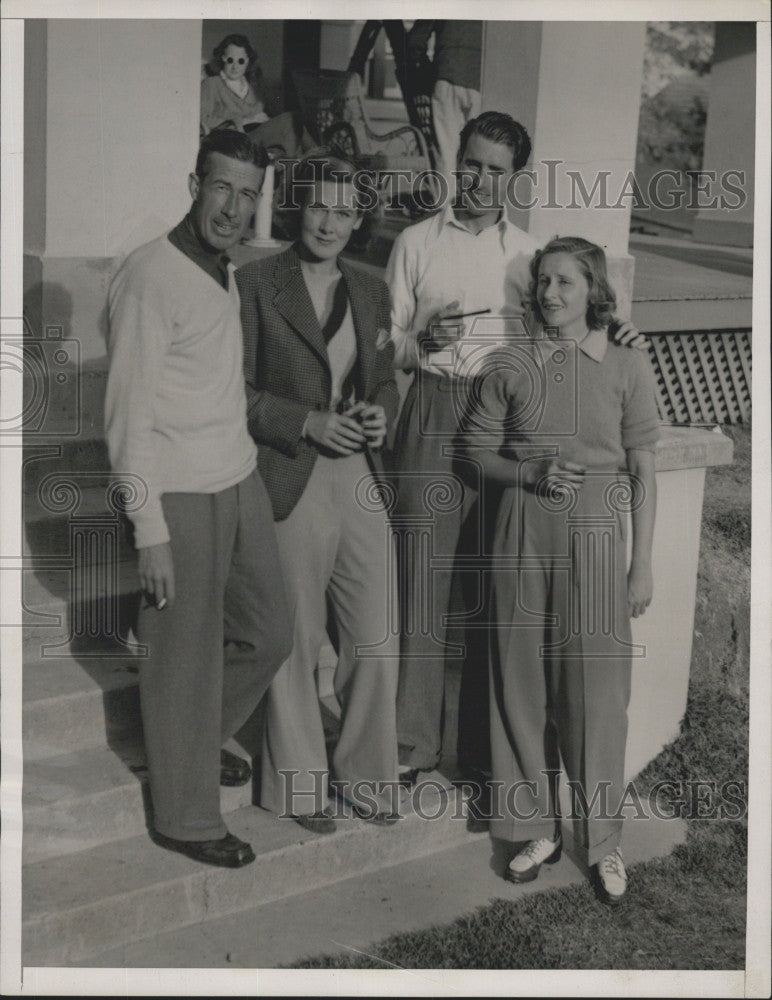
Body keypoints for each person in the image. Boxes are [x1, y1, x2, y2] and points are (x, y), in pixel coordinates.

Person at [385, 110, 647, 818]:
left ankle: (476, 752)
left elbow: (571, 320)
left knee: (492, 593)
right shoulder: (414, 242)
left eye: (494, 169)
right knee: (421, 579)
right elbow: (388, 349)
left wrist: (618, 325)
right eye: (469, 162)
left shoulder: (527, 257)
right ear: (456, 161)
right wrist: (416, 339)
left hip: (507, 424)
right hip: (436, 410)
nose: (477, 178)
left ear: (514, 179)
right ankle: (410, 745)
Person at [105, 129, 292, 868]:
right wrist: (146, 526)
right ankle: (184, 816)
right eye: (222, 187)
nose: (234, 206)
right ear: (194, 183)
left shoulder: (226, 268)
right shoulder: (149, 274)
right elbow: (126, 416)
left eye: (248, 194)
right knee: (181, 656)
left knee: (271, 632)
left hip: (236, 476)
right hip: (177, 491)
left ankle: (189, 739)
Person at [460, 237, 659, 904]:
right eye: (543, 280)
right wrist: (527, 471)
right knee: (519, 681)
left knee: (597, 694)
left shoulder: (626, 360)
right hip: (522, 523)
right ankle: (531, 826)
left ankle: (602, 842)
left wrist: (642, 565)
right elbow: (473, 452)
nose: (550, 293)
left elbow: (643, 471)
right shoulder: (509, 363)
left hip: (600, 532)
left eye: (566, 282)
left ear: (593, 291)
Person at [236, 154, 402, 832]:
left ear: (360, 220)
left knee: (374, 636)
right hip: (290, 471)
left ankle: (365, 776)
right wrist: (306, 421)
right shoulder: (253, 283)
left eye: (344, 211)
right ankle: (299, 785)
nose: (329, 222)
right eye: (317, 206)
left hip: (359, 474)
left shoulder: (370, 288)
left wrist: (378, 412)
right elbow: (234, 392)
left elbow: (385, 377)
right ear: (295, 208)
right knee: (298, 636)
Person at [406, 21, 483, 188]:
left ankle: (446, 209)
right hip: (481, 83)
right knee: (477, 155)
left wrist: (426, 70)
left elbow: (415, 41)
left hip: (447, 79)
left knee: (447, 153)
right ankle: (470, 207)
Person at [200, 34, 268, 136]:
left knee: (289, 120)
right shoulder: (211, 84)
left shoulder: (252, 87)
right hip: (229, 140)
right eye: (230, 60)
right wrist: (243, 121)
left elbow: (259, 114)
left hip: (255, 136)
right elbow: (202, 119)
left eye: (241, 61)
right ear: (223, 58)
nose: (235, 66)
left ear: (248, 61)